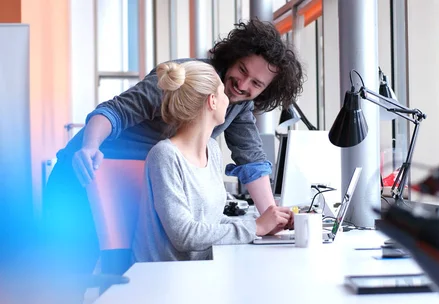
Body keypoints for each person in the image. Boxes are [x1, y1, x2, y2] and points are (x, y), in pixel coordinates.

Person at [42, 19, 303, 282]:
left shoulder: (236, 104)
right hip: (84, 171)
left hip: (133, 186)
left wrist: (273, 218)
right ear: (233, 58)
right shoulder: (186, 80)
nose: (243, 84)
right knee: (66, 279)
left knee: (115, 274)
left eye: (256, 84)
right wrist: (89, 146)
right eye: (241, 70)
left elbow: (252, 160)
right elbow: (115, 111)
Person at [133, 61, 290, 262]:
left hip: (200, 270)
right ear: (213, 101)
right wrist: (256, 227)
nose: (230, 100)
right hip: (166, 277)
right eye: (223, 93)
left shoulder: (212, 150)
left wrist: (264, 223)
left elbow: (210, 221)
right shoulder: (164, 156)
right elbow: (185, 235)